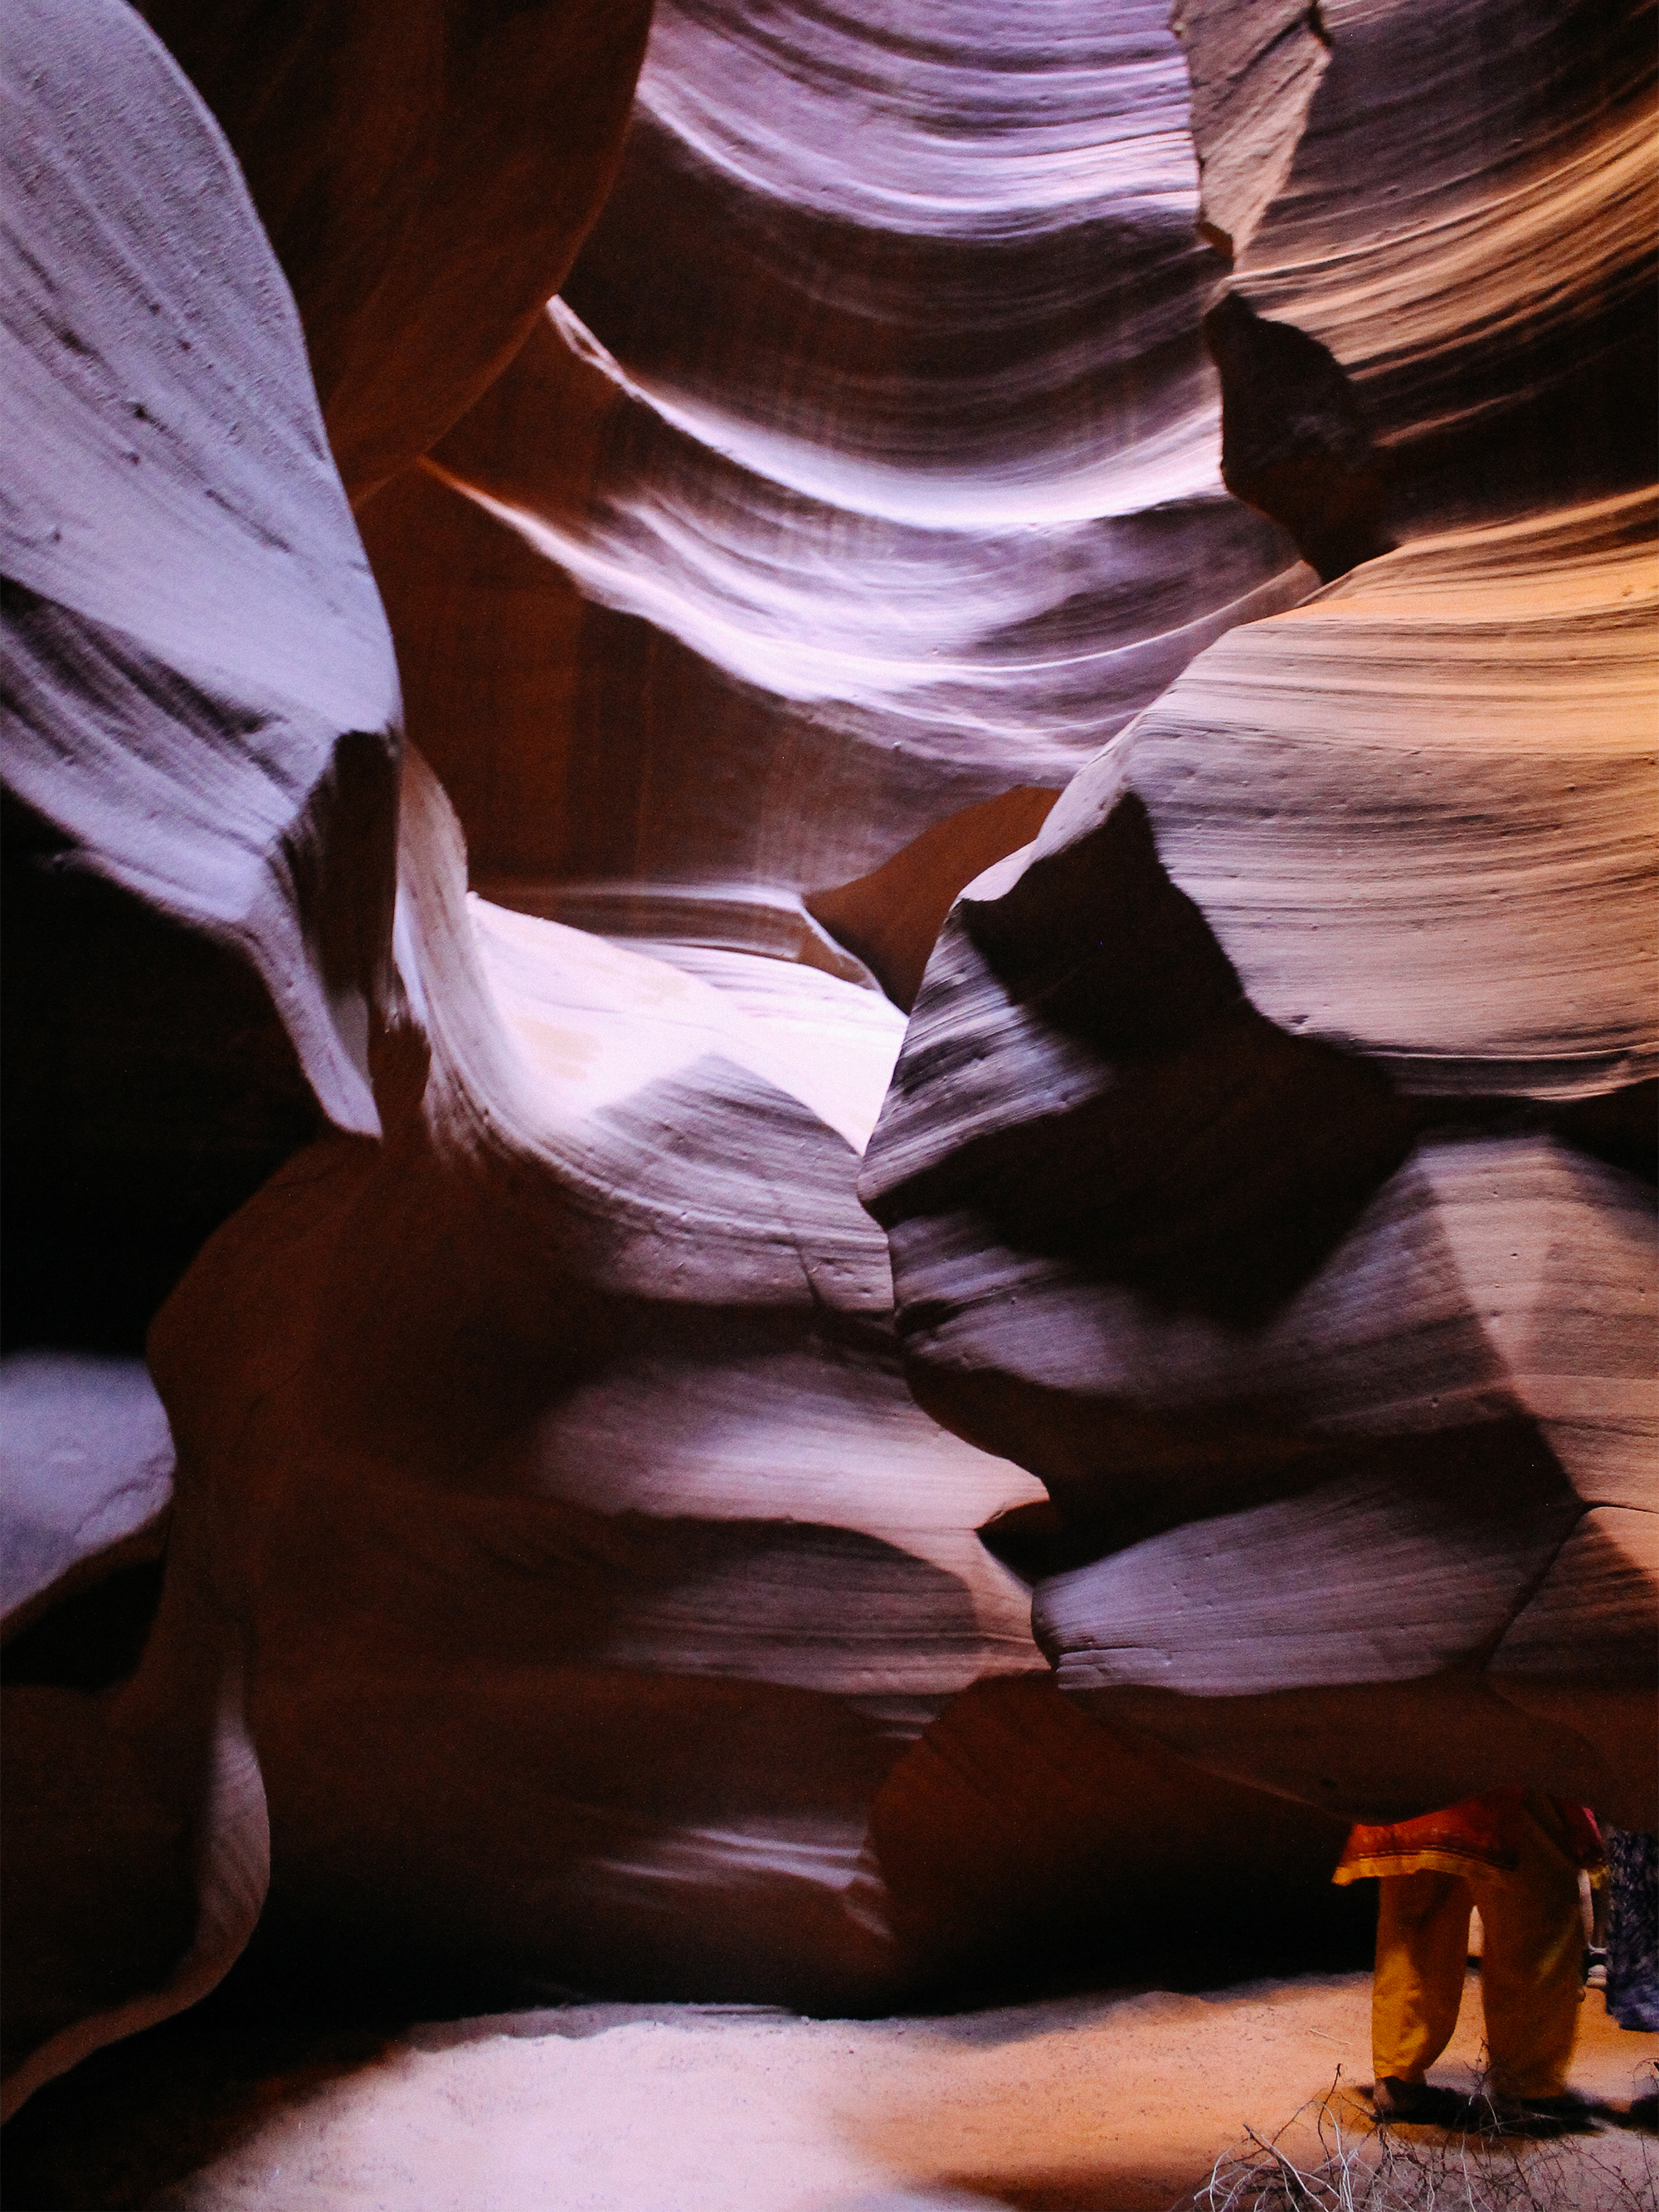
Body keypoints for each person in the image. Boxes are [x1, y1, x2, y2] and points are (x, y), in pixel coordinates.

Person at [1332, 1788, 1604, 2121]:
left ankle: (1397, 2076)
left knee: (1418, 1915)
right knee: (1534, 1915)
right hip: (1507, 1768)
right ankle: (1529, 2084)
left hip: (1421, 1763)